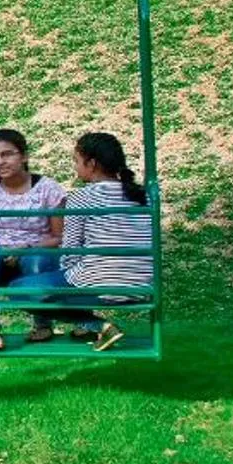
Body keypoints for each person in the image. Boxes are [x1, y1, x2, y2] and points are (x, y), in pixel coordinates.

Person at [0, 127, 67, 351]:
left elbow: (59, 237)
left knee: (37, 258)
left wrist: (26, 248)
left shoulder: (47, 189)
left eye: (7, 154)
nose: (0, 162)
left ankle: (42, 323)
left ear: (24, 156)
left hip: (35, 256)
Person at [57, 130, 156, 352]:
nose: (75, 167)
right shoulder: (143, 196)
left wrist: (68, 276)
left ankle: (99, 325)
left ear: (91, 164)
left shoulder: (81, 197)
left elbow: (71, 249)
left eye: (77, 161)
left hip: (100, 287)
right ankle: (96, 326)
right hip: (142, 286)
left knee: (22, 290)